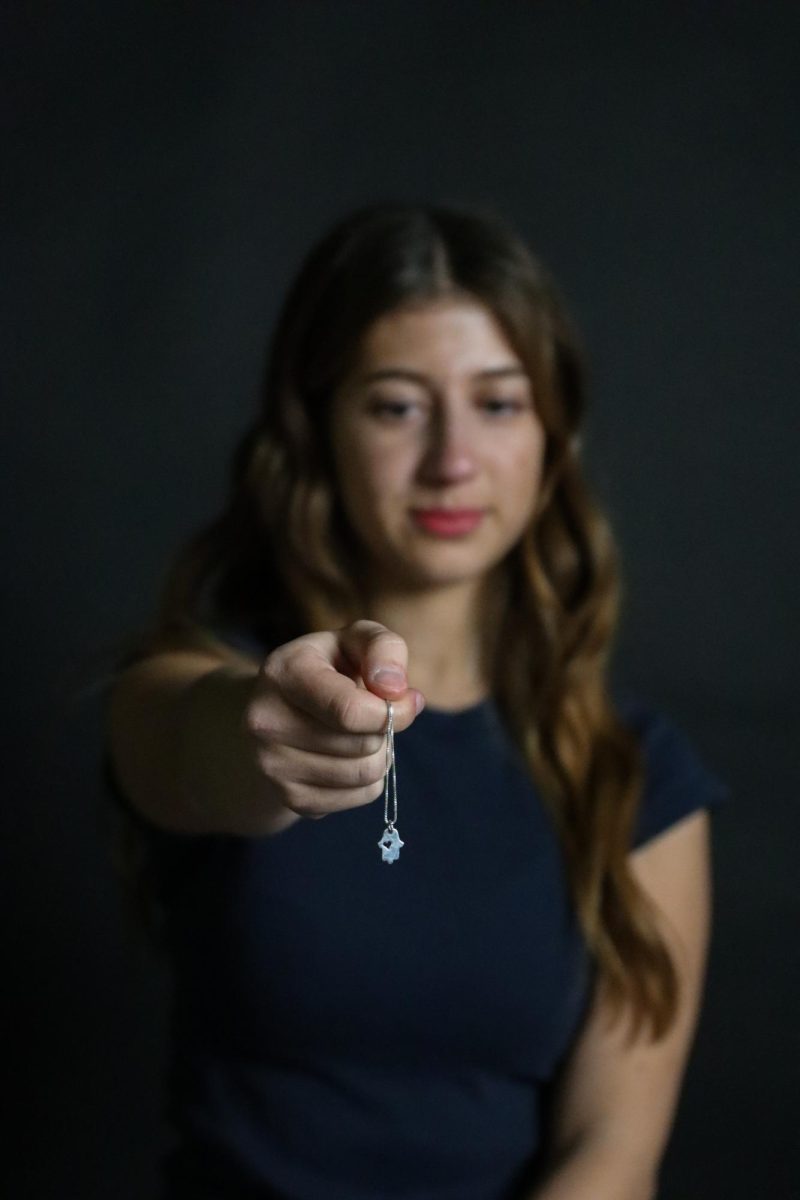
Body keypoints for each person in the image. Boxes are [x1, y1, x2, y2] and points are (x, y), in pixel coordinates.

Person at [103, 201, 731, 1200]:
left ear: (551, 435)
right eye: (395, 406)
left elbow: (607, 1159)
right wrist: (266, 726)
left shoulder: (635, 775)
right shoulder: (197, 682)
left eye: (497, 403)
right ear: (318, 432)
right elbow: (190, 738)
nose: (450, 459)